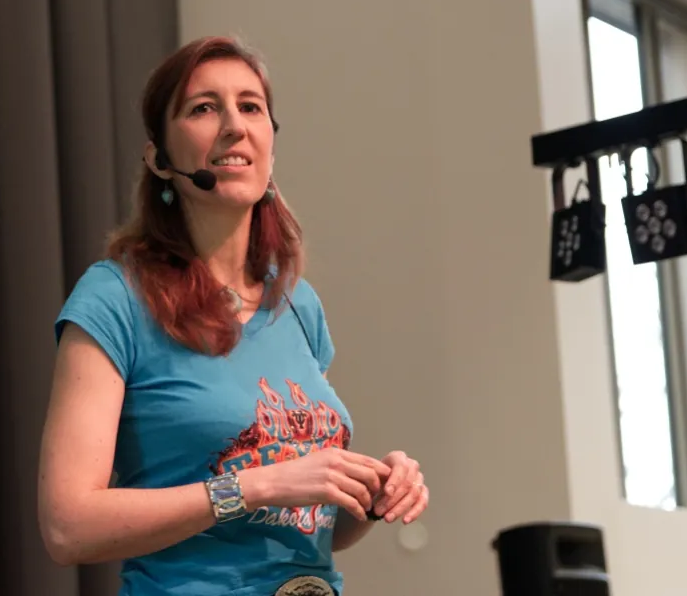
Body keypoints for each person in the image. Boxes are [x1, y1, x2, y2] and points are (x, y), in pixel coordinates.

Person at [37, 35, 429, 596]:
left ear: (271, 144)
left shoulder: (298, 304)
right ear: (159, 159)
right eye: (204, 108)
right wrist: (254, 486)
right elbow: (67, 528)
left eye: (250, 107)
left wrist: (369, 494)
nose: (234, 126)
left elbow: (305, 523)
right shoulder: (115, 297)